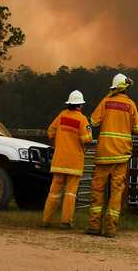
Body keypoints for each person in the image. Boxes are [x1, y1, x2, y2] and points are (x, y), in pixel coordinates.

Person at [86, 73, 138, 238]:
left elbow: (93, 122)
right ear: (126, 88)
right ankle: (110, 228)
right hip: (122, 155)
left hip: (104, 154)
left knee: (97, 190)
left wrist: (107, 99)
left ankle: (94, 226)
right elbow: (137, 129)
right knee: (117, 192)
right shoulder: (131, 105)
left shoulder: (106, 101)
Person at [41, 90, 92, 228]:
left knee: (54, 192)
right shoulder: (82, 119)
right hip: (74, 162)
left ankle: (46, 220)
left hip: (59, 160)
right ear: (80, 105)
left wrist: (60, 140)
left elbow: (50, 132)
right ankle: (66, 221)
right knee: (70, 193)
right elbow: (86, 139)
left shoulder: (61, 116)